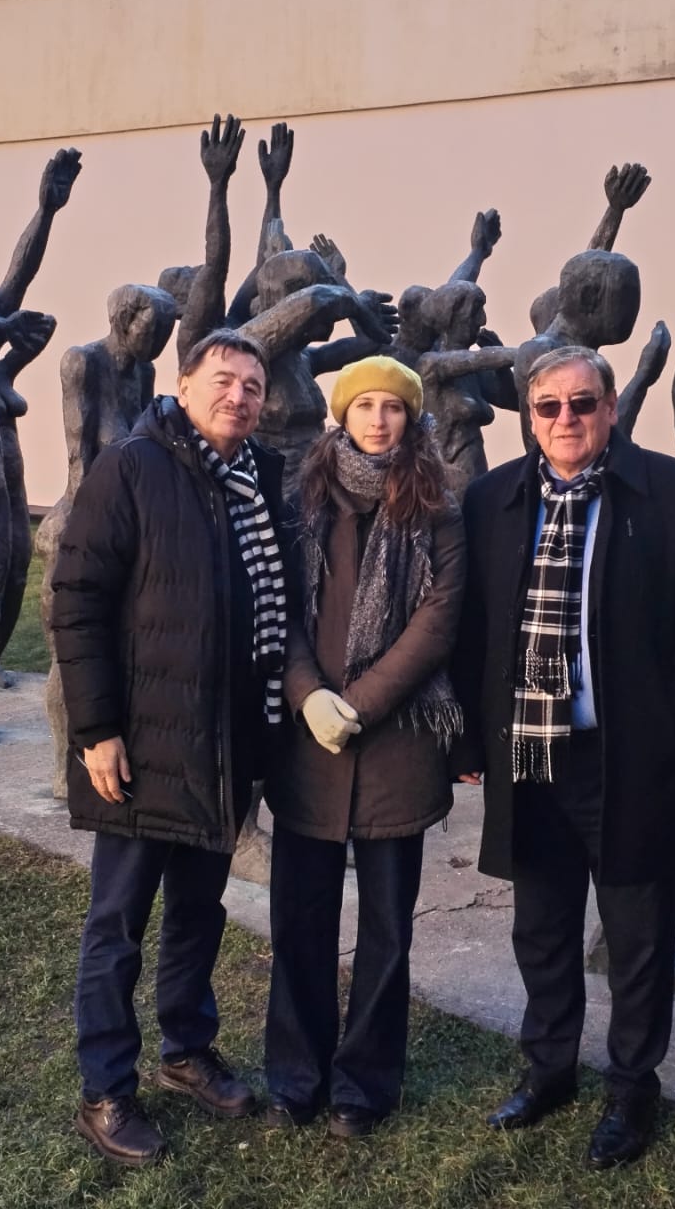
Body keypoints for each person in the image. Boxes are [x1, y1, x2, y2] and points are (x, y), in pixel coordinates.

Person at [452, 344, 675, 1169]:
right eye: (549, 407)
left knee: (638, 935)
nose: (566, 420)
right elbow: (471, 631)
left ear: (611, 408)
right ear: (529, 416)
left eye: (583, 404)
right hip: (533, 753)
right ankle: (550, 1071)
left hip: (632, 757)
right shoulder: (490, 501)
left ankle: (631, 1087)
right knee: (540, 929)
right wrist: (475, 741)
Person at [49, 328, 296, 1166]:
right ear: (184, 387)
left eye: (254, 386)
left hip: (226, 748)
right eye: (223, 380)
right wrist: (96, 729)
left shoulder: (259, 477)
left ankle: (186, 1048)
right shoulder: (134, 466)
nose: (240, 396)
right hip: (143, 748)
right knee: (118, 921)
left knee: (199, 910)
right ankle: (106, 1089)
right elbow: (76, 597)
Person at [264, 355, 466, 1139]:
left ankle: (363, 1085)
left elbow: (440, 619)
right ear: (339, 415)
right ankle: (295, 1077)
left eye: (393, 408)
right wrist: (309, 694)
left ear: (411, 419)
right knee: (300, 924)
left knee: (387, 929)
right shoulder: (302, 499)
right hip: (310, 746)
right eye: (365, 406)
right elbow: (277, 606)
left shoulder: (438, 508)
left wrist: (362, 701)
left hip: (397, 745)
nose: (379, 419)